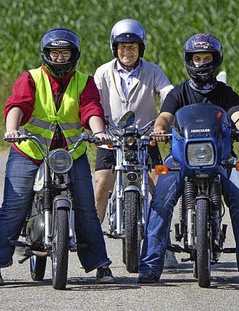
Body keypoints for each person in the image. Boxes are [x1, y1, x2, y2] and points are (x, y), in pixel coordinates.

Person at [0, 28, 115, 286]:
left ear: (73, 55)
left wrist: (100, 132)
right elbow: (17, 105)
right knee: (14, 205)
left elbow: (91, 108)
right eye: (54, 53)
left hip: (70, 151)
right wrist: (12, 130)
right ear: (46, 54)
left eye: (64, 53)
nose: (59, 58)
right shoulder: (31, 78)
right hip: (31, 149)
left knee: (85, 208)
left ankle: (100, 265)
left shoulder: (83, 80)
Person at [137, 33, 239, 284]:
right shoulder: (179, 92)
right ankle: (150, 266)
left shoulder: (226, 93)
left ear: (215, 61)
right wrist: (160, 128)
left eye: (206, 58)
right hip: (182, 159)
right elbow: (164, 116)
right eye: (197, 58)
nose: (201, 62)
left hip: (222, 158)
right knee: (161, 200)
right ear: (189, 61)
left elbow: (237, 114)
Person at [93, 18, 178, 268]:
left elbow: (168, 92)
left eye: (132, 47)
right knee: (100, 184)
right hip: (111, 139)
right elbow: (92, 101)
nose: (127, 51)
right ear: (114, 48)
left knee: (161, 186)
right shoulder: (103, 72)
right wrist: (98, 129)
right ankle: (94, 247)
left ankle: (166, 244)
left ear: (141, 48)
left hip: (146, 139)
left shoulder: (152, 71)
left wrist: (170, 114)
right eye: (122, 47)